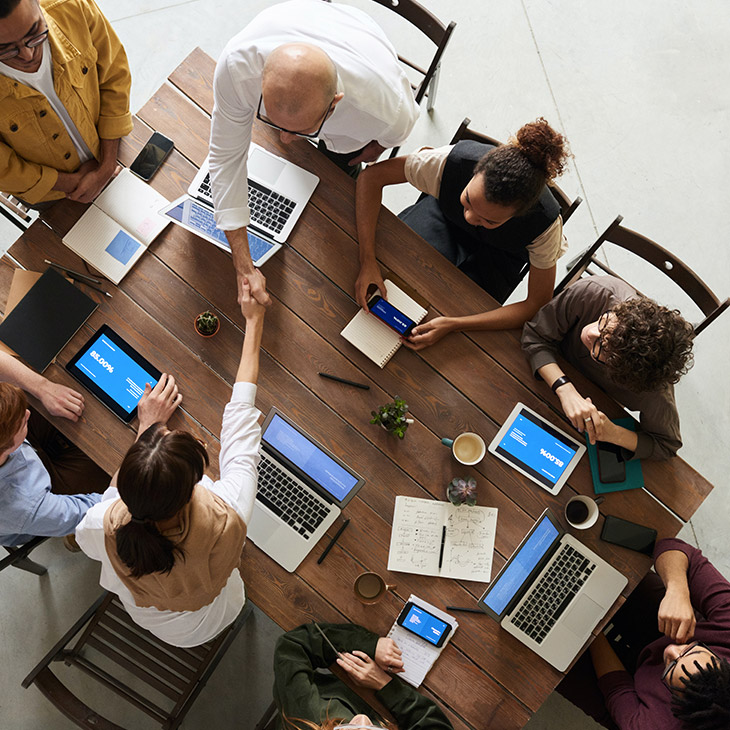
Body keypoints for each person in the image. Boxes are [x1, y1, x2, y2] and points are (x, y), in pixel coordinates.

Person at [76, 280, 265, 647]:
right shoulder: (228, 512)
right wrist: (255, 321)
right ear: (193, 488)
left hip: (161, 625)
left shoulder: (103, 523)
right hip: (215, 612)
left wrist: (145, 427)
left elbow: (106, 507)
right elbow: (241, 420)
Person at [210, 0, 419, 308]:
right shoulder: (236, 67)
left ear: (335, 104)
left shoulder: (385, 111)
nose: (284, 139)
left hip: (359, 43)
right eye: (271, 120)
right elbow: (226, 159)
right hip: (300, 20)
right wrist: (244, 264)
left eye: (300, 131)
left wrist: (374, 149)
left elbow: (391, 137)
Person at [354, 118, 570, 349]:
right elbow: (371, 178)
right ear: (475, 173)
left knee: (456, 323)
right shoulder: (450, 162)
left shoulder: (545, 226)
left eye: (489, 219)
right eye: (468, 201)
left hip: (500, 257)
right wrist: (367, 260)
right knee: (396, 270)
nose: (470, 218)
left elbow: (537, 303)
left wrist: (454, 324)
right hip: (443, 218)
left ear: (519, 215)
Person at [557, 538, 730, 730]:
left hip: (633, 696)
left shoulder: (654, 725)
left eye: (671, 666)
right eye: (692, 650)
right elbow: (672, 547)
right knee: (617, 568)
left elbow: (616, 686)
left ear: (677, 704)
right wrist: (677, 590)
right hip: (672, 627)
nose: (672, 649)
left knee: (556, 660)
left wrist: (589, 625)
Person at [521, 275, 695, 460]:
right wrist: (565, 389)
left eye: (602, 348)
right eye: (605, 324)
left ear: (622, 373)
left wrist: (613, 433)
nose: (591, 332)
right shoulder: (595, 292)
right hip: (538, 376)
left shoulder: (653, 389)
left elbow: (666, 445)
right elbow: (535, 336)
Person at [0, 0, 133, 206]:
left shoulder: (71, 6)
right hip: (53, 194)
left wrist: (106, 166)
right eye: (6, 50)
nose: (28, 55)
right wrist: (72, 183)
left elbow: (114, 72)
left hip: (112, 148)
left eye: (35, 33)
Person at [0, 350, 108, 546]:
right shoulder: (24, 506)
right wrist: (146, 436)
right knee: (112, 468)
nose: (27, 414)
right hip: (39, 501)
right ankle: (75, 538)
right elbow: (101, 511)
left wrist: (43, 388)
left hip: (20, 455)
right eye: (22, 422)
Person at [273, 622, 453, 730]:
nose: (362, 719)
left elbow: (292, 648)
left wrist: (369, 644)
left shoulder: (305, 714)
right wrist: (385, 685)